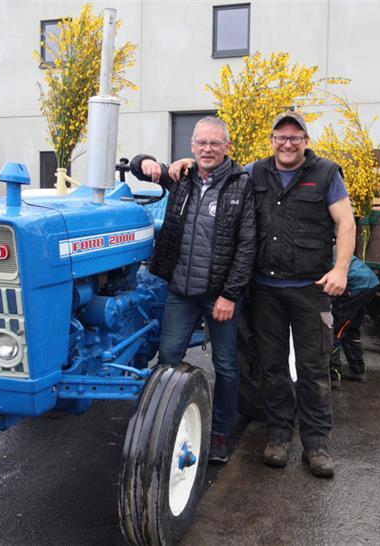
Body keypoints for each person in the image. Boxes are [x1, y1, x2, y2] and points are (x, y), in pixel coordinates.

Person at [170, 111, 355, 477]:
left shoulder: (326, 174)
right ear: (271, 140)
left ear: (305, 140)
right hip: (266, 290)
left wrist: (341, 270)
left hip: (309, 289)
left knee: (313, 367)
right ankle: (279, 437)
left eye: (295, 137)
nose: (287, 144)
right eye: (281, 137)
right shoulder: (255, 172)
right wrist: (190, 163)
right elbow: (215, 166)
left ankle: (317, 446)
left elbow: (346, 221)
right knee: (271, 367)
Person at [129, 116, 256, 464]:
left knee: (226, 365)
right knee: (168, 358)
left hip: (220, 295)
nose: (207, 149)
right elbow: (139, 168)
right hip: (181, 290)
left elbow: (247, 245)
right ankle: (171, 423)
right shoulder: (182, 178)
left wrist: (230, 295)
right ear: (192, 146)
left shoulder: (241, 184)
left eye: (215, 143)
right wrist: (147, 162)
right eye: (201, 143)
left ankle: (218, 433)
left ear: (227, 147)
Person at [329, 256, 380, 390]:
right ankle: (358, 370)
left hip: (356, 287)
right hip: (371, 284)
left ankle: (333, 376)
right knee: (351, 328)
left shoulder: (319, 253)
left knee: (335, 331)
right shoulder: (336, 248)